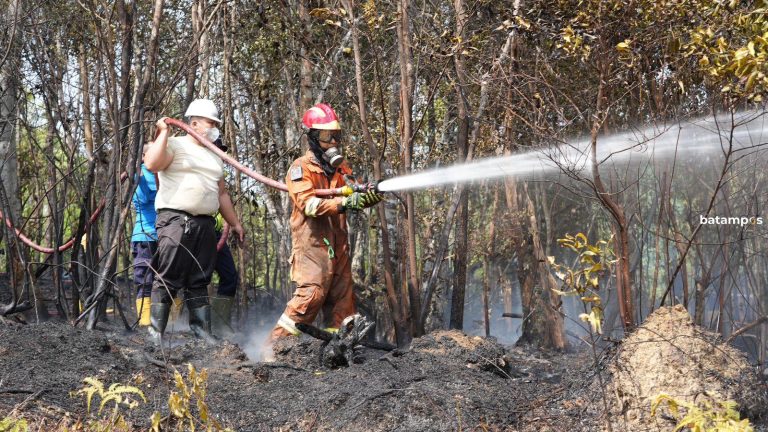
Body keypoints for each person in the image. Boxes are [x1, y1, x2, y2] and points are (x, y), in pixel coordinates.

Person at [270, 103, 383, 340]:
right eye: (325, 136)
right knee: (310, 297)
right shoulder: (300, 168)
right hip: (312, 246)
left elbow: (355, 193)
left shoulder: (341, 169)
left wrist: (370, 195)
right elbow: (309, 205)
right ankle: (273, 349)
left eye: (335, 136)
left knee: (343, 303)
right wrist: (345, 202)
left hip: (338, 246)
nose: (332, 142)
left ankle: (336, 351)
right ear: (311, 137)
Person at [144, 98, 245, 342]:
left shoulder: (215, 156)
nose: (215, 128)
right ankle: (155, 332)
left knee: (200, 279)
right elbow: (152, 163)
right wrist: (164, 132)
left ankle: (201, 330)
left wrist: (235, 223)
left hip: (205, 225)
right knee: (168, 275)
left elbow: (221, 194)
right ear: (195, 123)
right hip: (176, 220)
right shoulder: (175, 145)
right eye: (211, 123)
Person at [131, 142, 158, 327]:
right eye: (154, 153)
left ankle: (171, 321)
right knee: (145, 278)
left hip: (166, 236)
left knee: (168, 278)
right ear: (143, 157)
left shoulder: (164, 173)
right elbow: (144, 198)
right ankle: (145, 322)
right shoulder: (139, 174)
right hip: (145, 235)